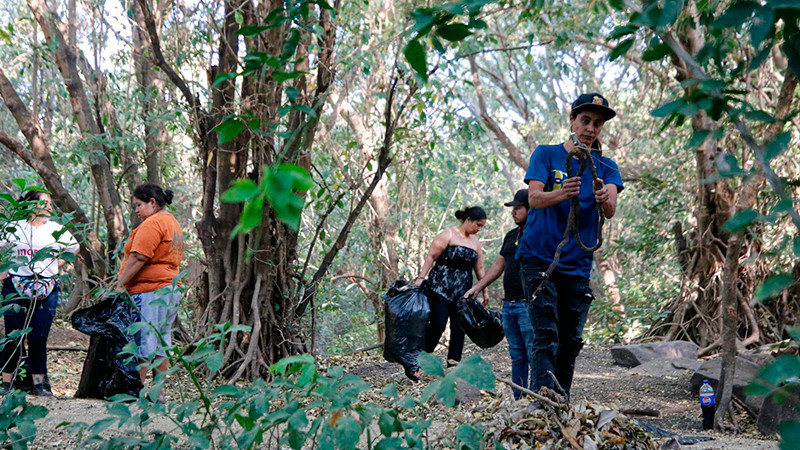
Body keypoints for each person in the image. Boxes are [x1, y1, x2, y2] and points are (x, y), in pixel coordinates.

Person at [517, 93, 623, 399]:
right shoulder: (546, 154)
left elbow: (612, 207)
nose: (590, 128)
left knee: (571, 339)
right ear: (573, 121)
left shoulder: (606, 166)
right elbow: (534, 198)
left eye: (597, 124)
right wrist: (561, 193)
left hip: (577, 263)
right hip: (539, 259)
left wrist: (605, 198)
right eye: (585, 121)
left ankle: (560, 400)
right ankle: (541, 400)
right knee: (546, 333)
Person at [0, 190, 80, 396]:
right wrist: (3, 271)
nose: (50, 206)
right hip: (16, 285)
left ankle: (39, 384)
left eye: (51, 203)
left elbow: (74, 248)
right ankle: (7, 383)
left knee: (38, 336)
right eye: (46, 202)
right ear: (32, 205)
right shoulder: (14, 228)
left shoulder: (55, 229)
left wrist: (56, 265)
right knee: (13, 335)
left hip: (46, 286)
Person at [464, 189, 534, 400]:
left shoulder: (539, 232)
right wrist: (477, 287)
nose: (513, 212)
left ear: (531, 208)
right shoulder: (512, 235)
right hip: (510, 305)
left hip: (529, 304)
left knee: (534, 353)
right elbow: (498, 265)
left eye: (518, 208)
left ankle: (539, 396)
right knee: (517, 355)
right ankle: (519, 398)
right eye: (512, 209)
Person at [117, 184, 185, 386]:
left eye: (138, 205)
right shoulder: (172, 222)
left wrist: (120, 285)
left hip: (151, 290)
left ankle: (135, 389)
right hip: (169, 289)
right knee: (162, 340)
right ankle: (158, 392)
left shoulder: (153, 223)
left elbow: (139, 257)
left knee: (144, 340)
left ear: (152, 203)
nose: (136, 210)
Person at [412, 206, 488, 380]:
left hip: (463, 293)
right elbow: (431, 257)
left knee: (459, 329)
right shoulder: (448, 235)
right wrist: (421, 277)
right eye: (478, 224)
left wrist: (485, 292)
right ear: (468, 220)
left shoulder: (475, 242)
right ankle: (419, 361)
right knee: (438, 324)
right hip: (440, 288)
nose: (479, 229)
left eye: (482, 226)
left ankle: (453, 366)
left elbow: (480, 269)